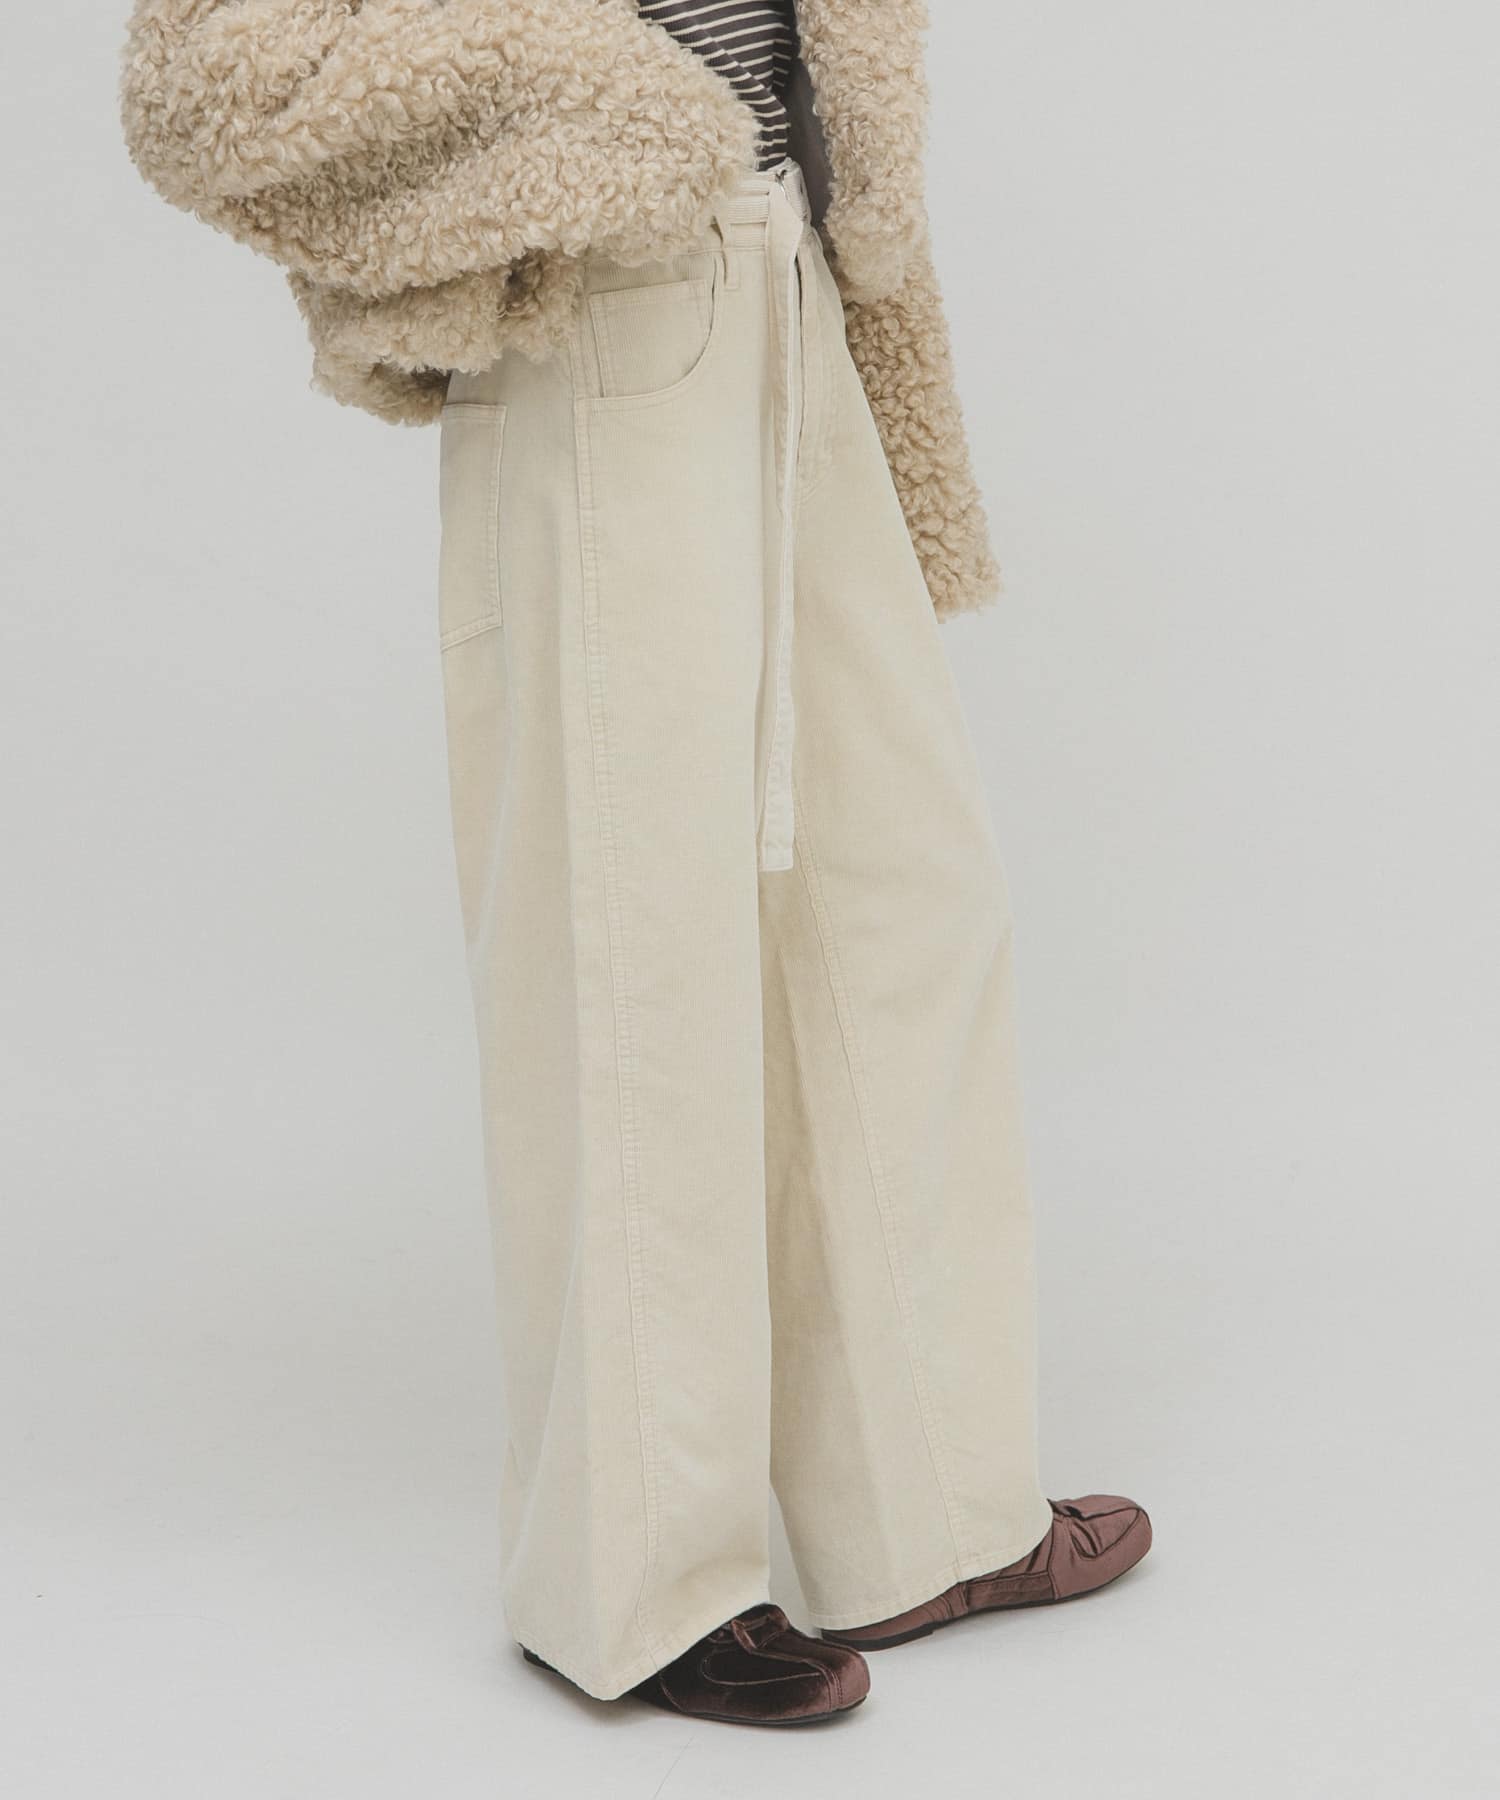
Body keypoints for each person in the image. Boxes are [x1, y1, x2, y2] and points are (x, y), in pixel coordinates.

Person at [121, 0, 1151, 1727]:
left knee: (901, 902)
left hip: (794, 285)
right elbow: (204, 77)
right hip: (599, 308)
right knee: (629, 938)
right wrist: (609, 114)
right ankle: (637, 1585)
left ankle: (927, 1511)